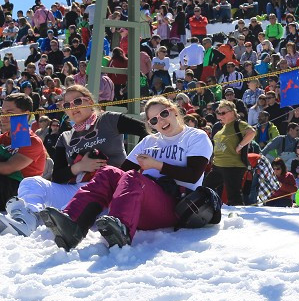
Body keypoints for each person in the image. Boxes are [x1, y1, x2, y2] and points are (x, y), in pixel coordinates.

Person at [38, 96, 212, 250]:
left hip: (176, 204)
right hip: (145, 203)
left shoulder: (195, 137)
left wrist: (156, 165)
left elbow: (193, 175)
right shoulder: (150, 141)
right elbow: (121, 172)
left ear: (173, 111)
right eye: (153, 121)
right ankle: (73, 223)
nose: (160, 121)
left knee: (134, 178)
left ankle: (120, 228)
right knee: (108, 173)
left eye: (163, 114)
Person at [2, 86, 147, 236]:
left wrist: (134, 164)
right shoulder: (65, 137)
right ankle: (27, 221)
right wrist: (78, 167)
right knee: (31, 182)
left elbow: (145, 131)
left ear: (89, 101)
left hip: (110, 188)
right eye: (67, 105)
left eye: (77, 101)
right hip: (78, 188)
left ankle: (60, 219)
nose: (72, 108)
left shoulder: (108, 119)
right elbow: (57, 176)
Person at [0, 93, 48, 214]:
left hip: (22, 196)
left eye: (9, 113)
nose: (3, 117)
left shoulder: (32, 141)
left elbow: (7, 169)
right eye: (2, 112)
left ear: (25, 114)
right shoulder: (2, 138)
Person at [211, 100, 256, 207]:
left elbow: (252, 132)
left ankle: (239, 217)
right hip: (218, 166)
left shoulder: (238, 124)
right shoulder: (223, 127)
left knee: (234, 195)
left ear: (232, 112)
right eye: (219, 113)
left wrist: (240, 146)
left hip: (232, 165)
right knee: (206, 187)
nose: (220, 116)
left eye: (223, 113)